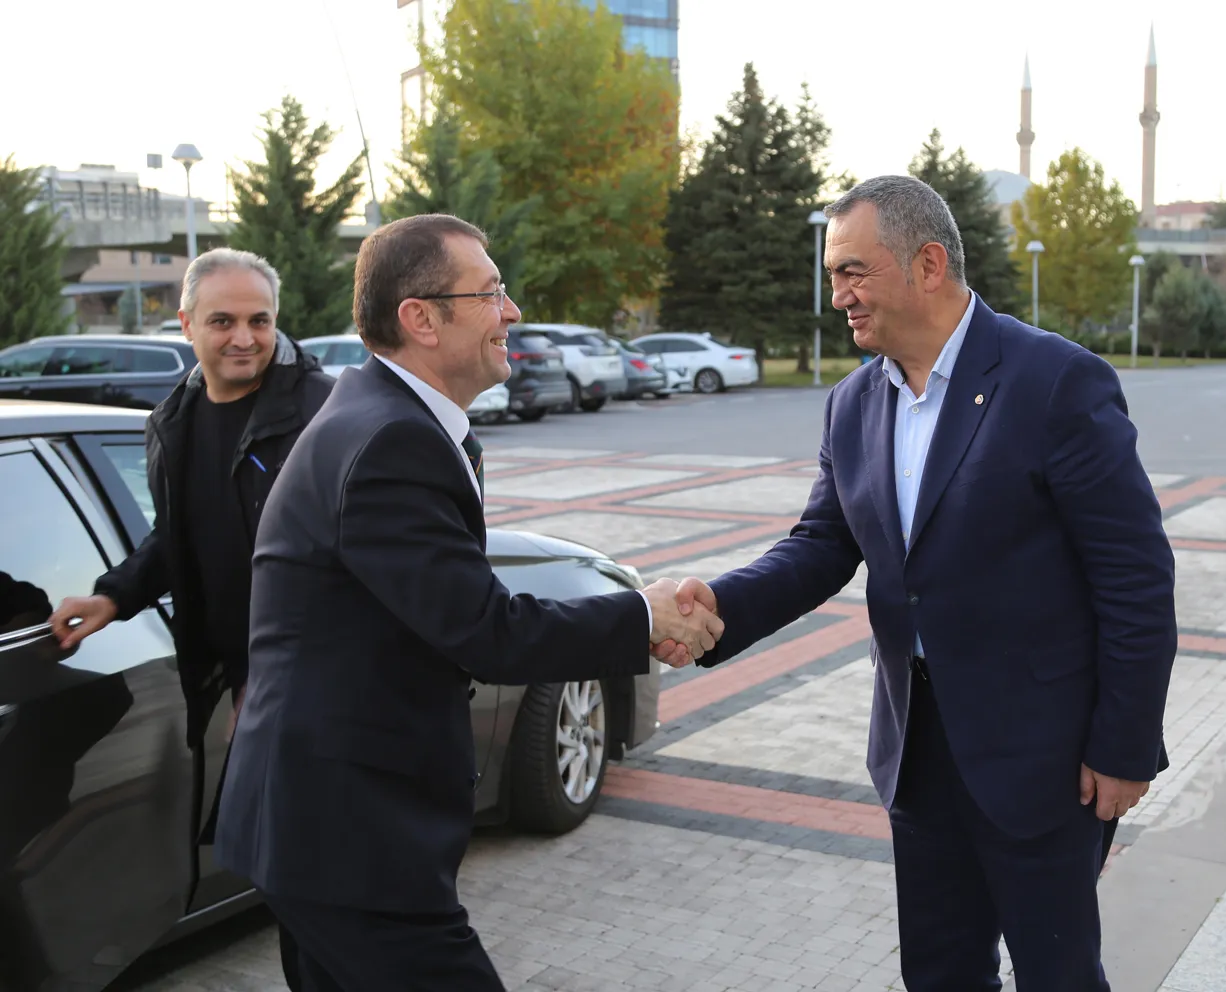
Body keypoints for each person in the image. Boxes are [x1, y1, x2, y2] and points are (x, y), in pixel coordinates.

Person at [656, 176, 1175, 991]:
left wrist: (1125, 745)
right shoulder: (853, 403)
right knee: (938, 974)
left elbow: (1135, 579)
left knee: (1059, 974)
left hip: (1045, 758)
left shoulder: (1054, 382)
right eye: (834, 275)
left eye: (853, 271)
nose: (838, 296)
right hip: (917, 753)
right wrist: (720, 606)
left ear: (928, 264)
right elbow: (823, 544)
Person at [214, 213, 721, 992]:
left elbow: (442, 607)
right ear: (420, 318)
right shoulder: (389, 439)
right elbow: (485, 631)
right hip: (349, 833)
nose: (511, 311)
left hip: (328, 825)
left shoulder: (388, 419)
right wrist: (645, 615)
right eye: (489, 293)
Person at [47, 246, 333, 986]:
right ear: (186, 324)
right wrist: (114, 595)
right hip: (248, 681)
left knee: (325, 877)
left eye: (260, 320)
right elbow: (179, 534)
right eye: (223, 321)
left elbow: (360, 552)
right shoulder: (174, 418)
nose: (244, 337)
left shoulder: (323, 412)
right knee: (290, 873)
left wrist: (285, 679)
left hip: (325, 683)